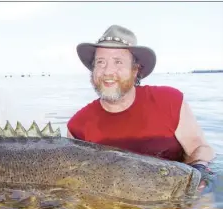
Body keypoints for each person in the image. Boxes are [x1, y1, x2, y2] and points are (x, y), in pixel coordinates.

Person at [67, 25, 216, 193]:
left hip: (175, 201)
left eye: (118, 62)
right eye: (100, 62)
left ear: (135, 69)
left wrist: (199, 173)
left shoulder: (170, 101)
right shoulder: (77, 126)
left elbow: (200, 148)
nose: (108, 71)